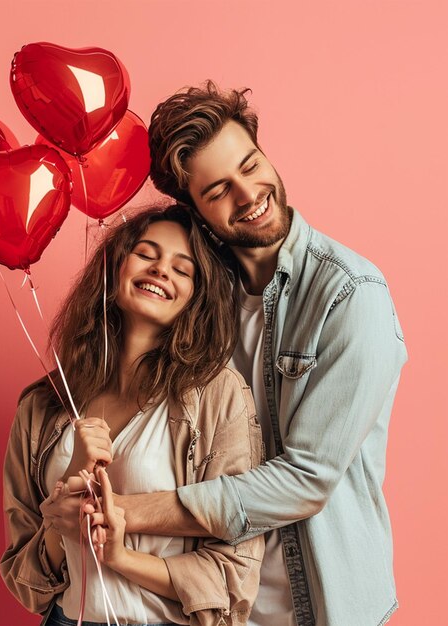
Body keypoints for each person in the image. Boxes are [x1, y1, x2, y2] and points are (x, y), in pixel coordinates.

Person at [49, 83, 408, 626]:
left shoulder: (350, 294)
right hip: (213, 606)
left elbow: (307, 478)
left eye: (251, 165)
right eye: (218, 190)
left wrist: (120, 511)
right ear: (195, 209)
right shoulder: (198, 300)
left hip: (317, 604)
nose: (249, 194)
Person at [0, 205, 265, 626]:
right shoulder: (42, 405)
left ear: (197, 296)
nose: (161, 270)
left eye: (183, 269)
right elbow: (24, 581)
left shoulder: (219, 395)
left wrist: (122, 558)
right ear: (115, 267)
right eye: (146, 253)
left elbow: (234, 578)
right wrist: (61, 522)